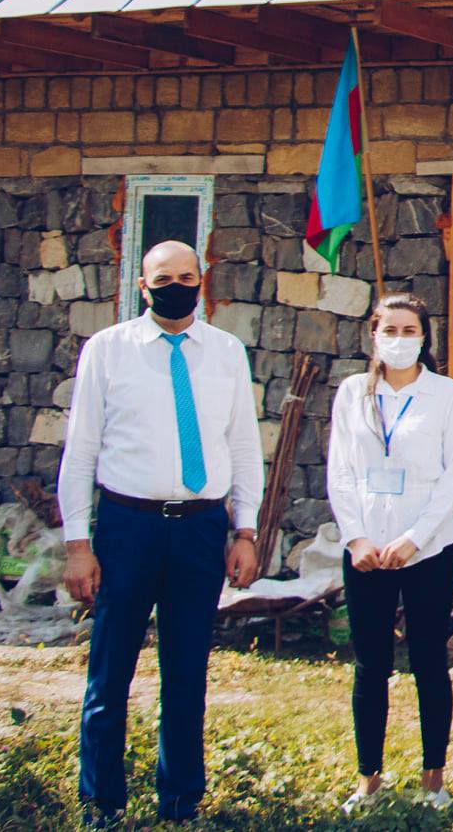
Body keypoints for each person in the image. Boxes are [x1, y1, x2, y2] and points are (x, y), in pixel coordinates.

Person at [57, 240, 263, 828]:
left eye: (187, 277)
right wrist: (78, 545)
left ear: (203, 280)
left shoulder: (226, 352)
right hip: (129, 527)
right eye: (163, 279)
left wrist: (244, 531)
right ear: (142, 286)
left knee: (187, 668)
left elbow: (243, 446)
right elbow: (81, 450)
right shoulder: (108, 350)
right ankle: (102, 800)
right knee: (111, 667)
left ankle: (180, 800)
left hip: (200, 528)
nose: (176, 287)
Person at [326, 292, 453, 813]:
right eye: (390, 330)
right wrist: (356, 537)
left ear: (425, 337)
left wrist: (415, 537)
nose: (400, 339)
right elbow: (341, 471)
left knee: (429, 660)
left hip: (428, 549)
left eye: (410, 331)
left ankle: (434, 778)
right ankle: (369, 777)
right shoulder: (353, 393)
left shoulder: (446, 394)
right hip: (368, 550)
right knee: (371, 665)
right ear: (373, 335)